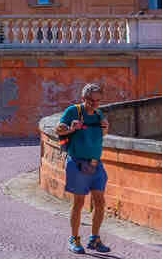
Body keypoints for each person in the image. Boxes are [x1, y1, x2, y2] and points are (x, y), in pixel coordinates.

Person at [55, 83, 111, 254]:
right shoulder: (73, 111)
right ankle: (74, 238)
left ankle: (94, 238)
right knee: (79, 203)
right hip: (77, 163)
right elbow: (58, 129)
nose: (95, 104)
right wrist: (70, 128)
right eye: (91, 100)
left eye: (98, 101)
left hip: (96, 163)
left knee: (100, 202)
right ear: (83, 99)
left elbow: (101, 134)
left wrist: (106, 128)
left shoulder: (98, 113)